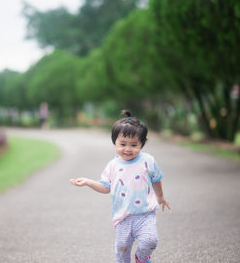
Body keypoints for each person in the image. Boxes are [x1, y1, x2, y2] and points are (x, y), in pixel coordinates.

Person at [70, 109, 171, 263]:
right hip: (122, 216)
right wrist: (88, 182)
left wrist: (161, 196)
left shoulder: (148, 161)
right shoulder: (113, 165)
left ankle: (142, 258)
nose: (128, 149)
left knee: (150, 240)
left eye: (134, 144)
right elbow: (106, 187)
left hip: (145, 213)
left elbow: (156, 179)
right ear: (114, 142)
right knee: (122, 248)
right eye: (122, 144)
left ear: (142, 144)